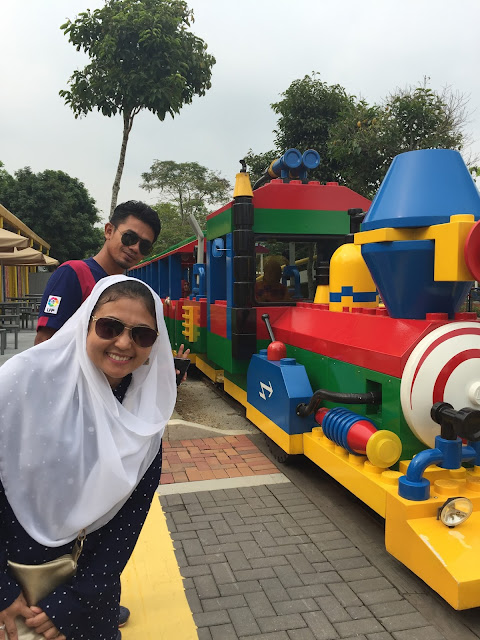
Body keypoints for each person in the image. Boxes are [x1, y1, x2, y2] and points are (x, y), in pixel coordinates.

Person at [0, 276, 177, 640]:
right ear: (85, 323)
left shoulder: (143, 416)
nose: (124, 343)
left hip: (87, 602)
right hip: (10, 591)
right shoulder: (23, 383)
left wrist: (72, 604)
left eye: (142, 335)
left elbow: (127, 524)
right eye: (109, 327)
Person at [35, 200, 161, 345]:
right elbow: (44, 341)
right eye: (129, 238)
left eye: (144, 246)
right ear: (109, 231)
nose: (135, 248)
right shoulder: (72, 274)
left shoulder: (130, 288)